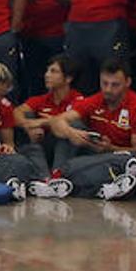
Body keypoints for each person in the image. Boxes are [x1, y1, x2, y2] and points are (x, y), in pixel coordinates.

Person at [48, 59, 136, 200]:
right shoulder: (96, 100)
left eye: (115, 85)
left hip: (116, 159)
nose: (108, 90)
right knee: (72, 126)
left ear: (127, 82)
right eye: (104, 83)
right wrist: (72, 134)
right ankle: (66, 178)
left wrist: (110, 148)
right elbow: (57, 121)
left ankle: (61, 179)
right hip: (92, 156)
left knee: (126, 162)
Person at [13, 53, 81, 197]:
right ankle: (46, 180)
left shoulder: (78, 99)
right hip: (44, 145)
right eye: (47, 71)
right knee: (32, 143)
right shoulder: (41, 99)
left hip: (70, 148)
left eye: (53, 71)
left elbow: (64, 122)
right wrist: (28, 127)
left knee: (65, 130)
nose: (47, 75)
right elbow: (16, 112)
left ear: (68, 78)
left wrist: (44, 122)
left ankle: (57, 174)